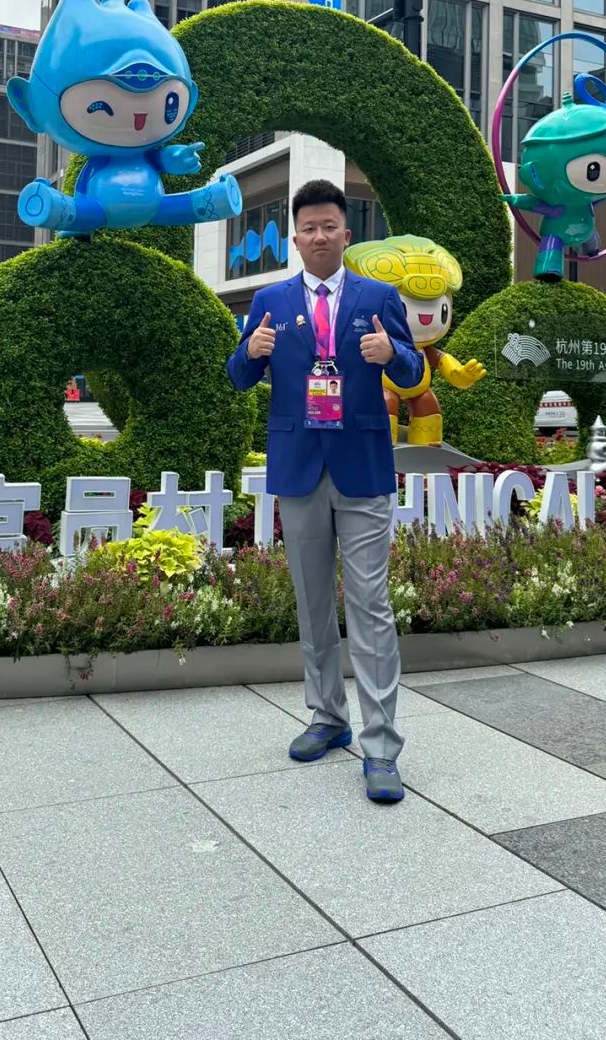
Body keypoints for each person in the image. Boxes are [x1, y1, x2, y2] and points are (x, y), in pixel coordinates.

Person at [227, 180, 424, 804]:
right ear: (296, 237)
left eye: (329, 226)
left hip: (362, 466)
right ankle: (328, 717)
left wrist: (392, 352)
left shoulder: (378, 297)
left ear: (346, 233)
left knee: (370, 605)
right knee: (312, 603)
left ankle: (381, 747)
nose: (319, 236)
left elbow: (415, 371)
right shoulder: (270, 300)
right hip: (299, 468)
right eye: (309, 227)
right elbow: (238, 377)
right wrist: (250, 350)